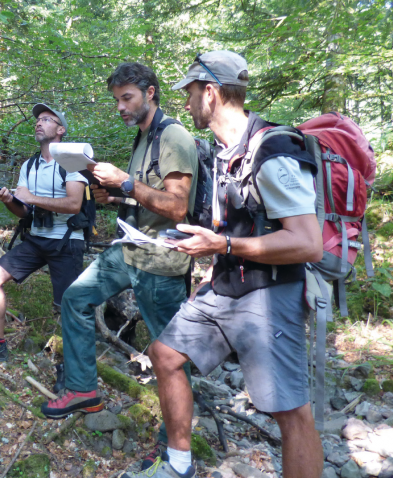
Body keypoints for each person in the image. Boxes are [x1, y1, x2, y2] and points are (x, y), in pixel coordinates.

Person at [120, 51, 324, 478]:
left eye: (191, 93)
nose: (188, 103)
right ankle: (178, 465)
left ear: (210, 93)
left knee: (289, 411)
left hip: (272, 293)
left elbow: (308, 244)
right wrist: (211, 267)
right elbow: (232, 224)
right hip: (226, 285)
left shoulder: (273, 148)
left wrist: (224, 244)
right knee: (165, 354)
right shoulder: (222, 151)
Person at [40, 63, 198, 443]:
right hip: (128, 249)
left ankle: (173, 445)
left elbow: (178, 208)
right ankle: (83, 390)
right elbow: (147, 196)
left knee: (169, 354)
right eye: (117, 100)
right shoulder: (144, 137)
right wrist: (115, 195)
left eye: (127, 98)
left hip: (161, 260)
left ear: (151, 92)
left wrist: (125, 182)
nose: (120, 107)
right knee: (75, 298)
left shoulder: (173, 136)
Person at [0, 104, 88, 362]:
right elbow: (23, 212)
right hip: (36, 239)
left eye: (47, 119)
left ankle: (70, 368)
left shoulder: (72, 161)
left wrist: (32, 197)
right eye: (37, 120)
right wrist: (8, 200)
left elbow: (74, 204)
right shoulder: (29, 165)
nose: (38, 123)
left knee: (67, 307)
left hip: (67, 242)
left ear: (61, 130)